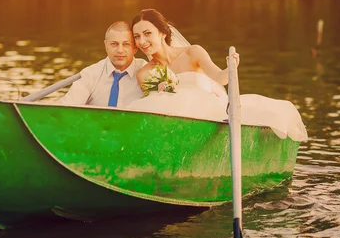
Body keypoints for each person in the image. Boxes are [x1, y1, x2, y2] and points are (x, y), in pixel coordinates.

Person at [126, 9, 308, 142]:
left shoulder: (193, 52)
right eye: (137, 36)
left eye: (147, 33)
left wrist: (231, 67)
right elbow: (152, 112)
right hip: (177, 127)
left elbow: (219, 78)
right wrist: (161, 92)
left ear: (162, 32)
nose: (142, 41)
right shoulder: (145, 73)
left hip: (212, 115)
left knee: (270, 114)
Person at [59, 21, 147, 107]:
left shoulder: (147, 72)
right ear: (106, 45)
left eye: (126, 44)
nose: (120, 50)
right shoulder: (90, 74)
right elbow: (66, 108)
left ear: (135, 48)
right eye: (114, 44)